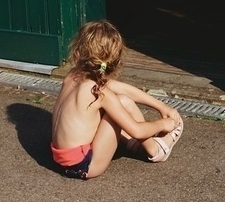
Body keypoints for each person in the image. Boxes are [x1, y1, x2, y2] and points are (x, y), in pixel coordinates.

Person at [51, 20, 184, 179]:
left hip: (60, 159)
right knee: (120, 105)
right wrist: (164, 123)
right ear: (114, 62)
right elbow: (137, 130)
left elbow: (122, 89)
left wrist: (160, 105)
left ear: (78, 50)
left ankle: (135, 144)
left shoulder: (73, 75)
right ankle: (155, 150)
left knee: (122, 100)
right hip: (83, 165)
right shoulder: (99, 92)